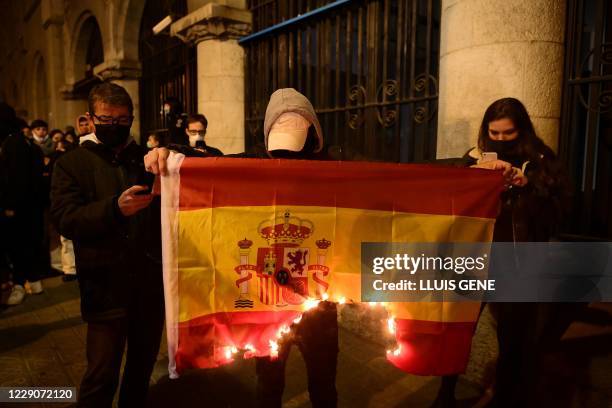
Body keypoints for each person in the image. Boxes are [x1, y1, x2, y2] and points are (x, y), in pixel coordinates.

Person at [145, 88, 337, 408]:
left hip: (320, 303)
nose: (285, 158)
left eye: (296, 145)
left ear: (314, 135)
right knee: (269, 382)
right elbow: (210, 164)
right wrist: (167, 153)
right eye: (280, 149)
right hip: (269, 303)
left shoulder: (338, 169)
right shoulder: (256, 163)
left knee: (323, 383)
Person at [435, 98, 570, 408]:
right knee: (458, 329)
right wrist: (476, 173)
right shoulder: (474, 158)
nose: (499, 140)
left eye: (507, 134)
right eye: (493, 133)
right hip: (473, 259)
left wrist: (527, 183)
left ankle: (505, 398)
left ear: (521, 130)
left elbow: (558, 208)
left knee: (513, 338)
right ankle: (445, 395)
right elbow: (450, 196)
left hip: (517, 263)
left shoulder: (541, 160)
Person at [51, 82, 164, 407]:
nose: (114, 127)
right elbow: (65, 218)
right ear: (89, 118)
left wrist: (168, 151)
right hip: (104, 285)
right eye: (106, 120)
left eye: (122, 120)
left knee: (141, 369)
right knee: (101, 373)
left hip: (147, 285)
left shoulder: (144, 158)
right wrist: (114, 209)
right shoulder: (71, 163)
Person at [0, 116, 47, 305]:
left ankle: (19, 284)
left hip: (18, 208)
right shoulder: (26, 144)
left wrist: (10, 205)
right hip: (32, 206)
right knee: (30, 243)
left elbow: (15, 179)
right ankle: (34, 281)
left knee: (18, 246)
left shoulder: (13, 145)